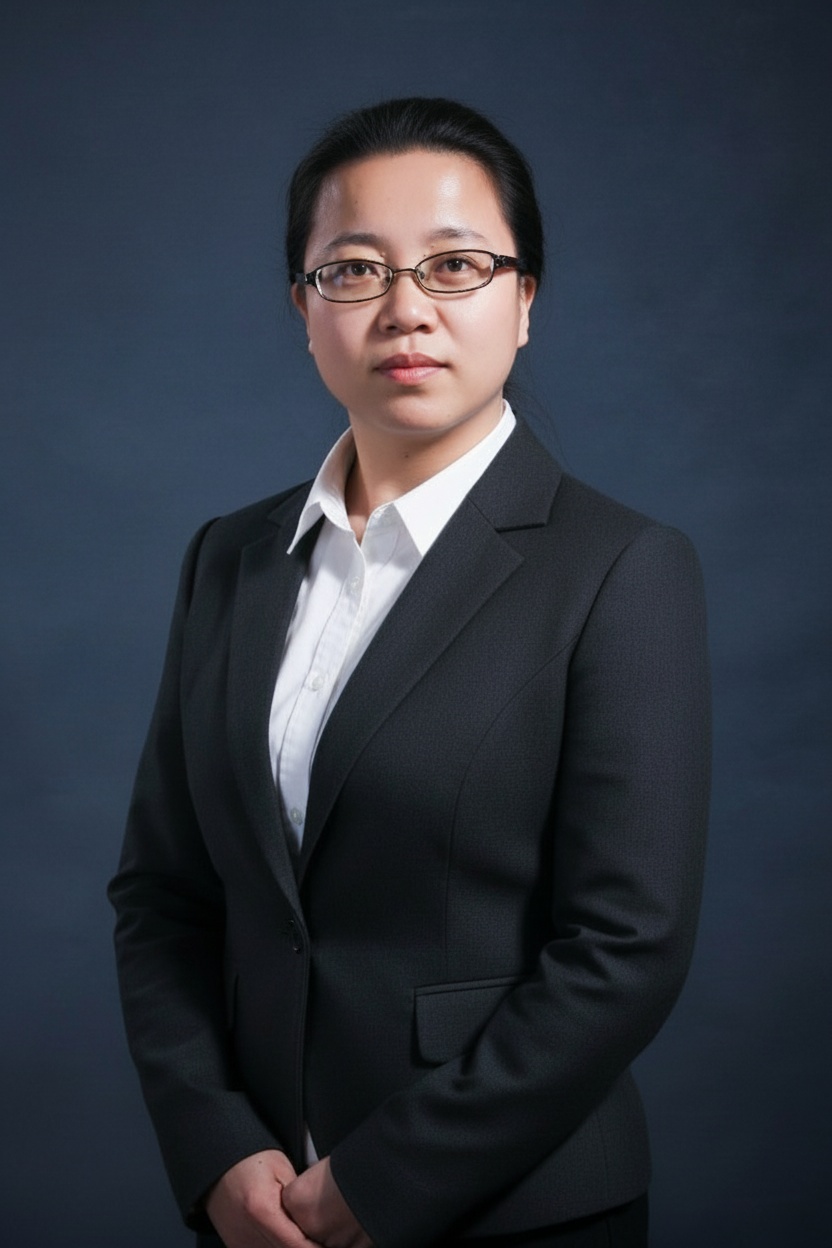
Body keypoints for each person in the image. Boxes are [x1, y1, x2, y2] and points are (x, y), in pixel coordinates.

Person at [109, 97, 710, 1248]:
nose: (405, 309)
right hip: (256, 1207)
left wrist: (380, 1182)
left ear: (523, 301)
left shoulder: (621, 568)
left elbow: (626, 949)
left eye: (456, 264)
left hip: (515, 1210)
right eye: (353, 270)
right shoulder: (227, 559)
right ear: (302, 307)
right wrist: (213, 1144)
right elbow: (162, 895)